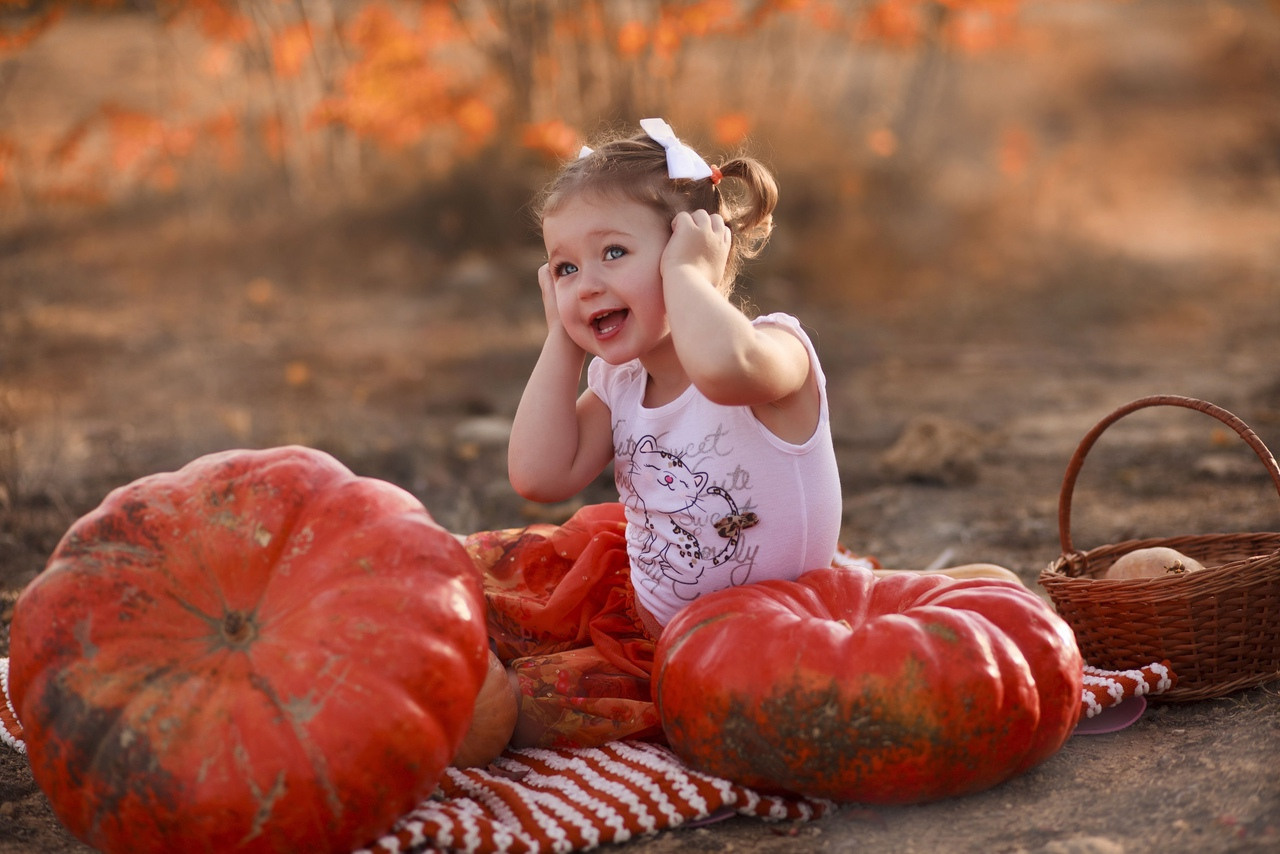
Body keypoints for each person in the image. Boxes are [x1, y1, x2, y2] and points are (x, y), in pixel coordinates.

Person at [459, 118, 842, 755]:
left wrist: (691, 278)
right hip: (639, 610)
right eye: (565, 268)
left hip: (749, 643)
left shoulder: (777, 351)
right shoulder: (620, 381)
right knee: (468, 574)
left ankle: (460, 690)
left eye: (614, 254)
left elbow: (721, 370)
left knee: (517, 715)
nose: (586, 284)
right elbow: (538, 473)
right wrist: (562, 337)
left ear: (695, 252)